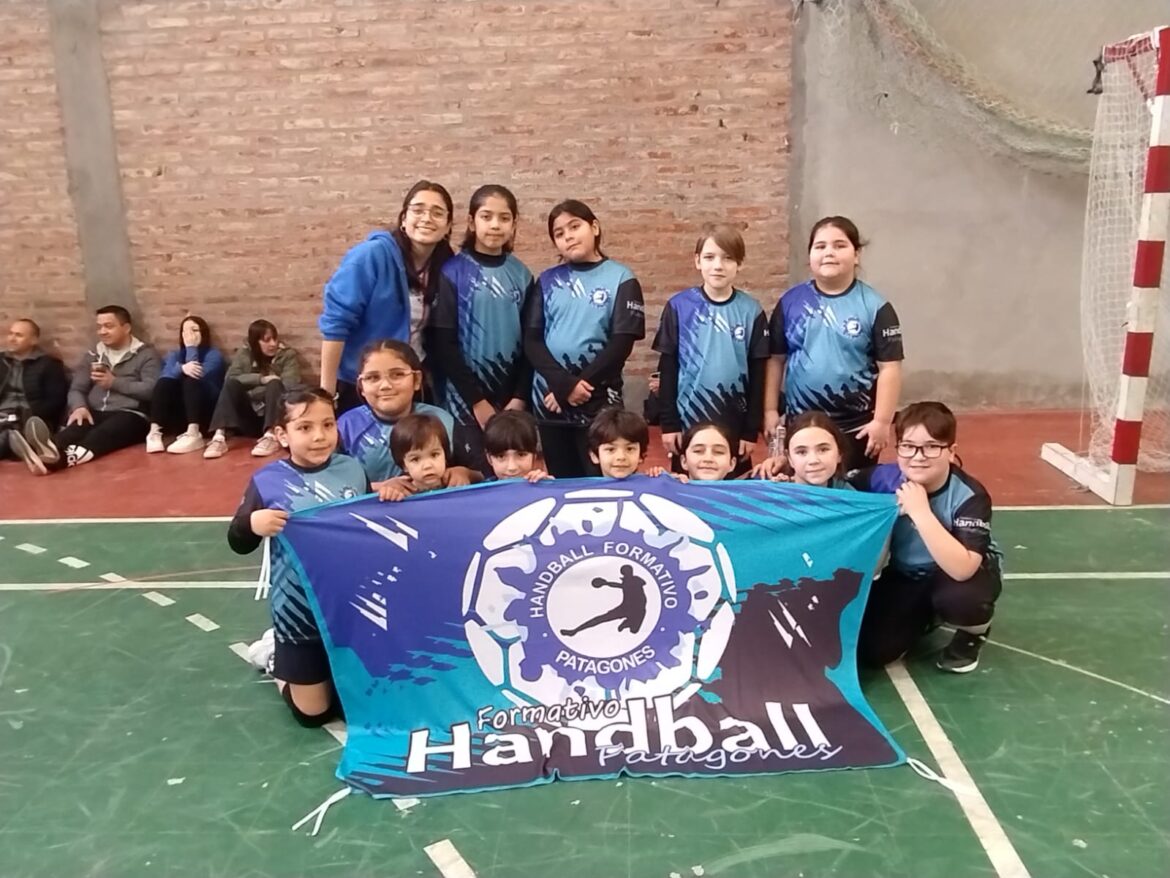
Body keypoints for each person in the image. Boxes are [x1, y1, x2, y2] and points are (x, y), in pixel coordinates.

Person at [230, 388, 372, 727]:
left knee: (356, 705)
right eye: (305, 427)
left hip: (348, 610)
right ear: (282, 434)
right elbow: (237, 541)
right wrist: (254, 523)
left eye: (327, 425)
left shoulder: (353, 470)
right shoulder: (268, 482)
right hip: (298, 613)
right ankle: (274, 654)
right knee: (313, 715)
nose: (319, 436)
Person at [852, 402, 1003, 674]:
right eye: (908, 446)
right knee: (873, 653)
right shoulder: (879, 479)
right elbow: (833, 486)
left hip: (957, 576)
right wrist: (785, 474)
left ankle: (973, 633)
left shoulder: (970, 496)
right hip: (906, 574)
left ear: (951, 451)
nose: (918, 456)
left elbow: (962, 568)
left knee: (962, 600)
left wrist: (920, 512)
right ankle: (924, 616)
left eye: (932, 446)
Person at [763, 216, 903, 472]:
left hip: (856, 428)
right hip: (802, 426)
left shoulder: (875, 306)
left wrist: (882, 421)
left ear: (856, 254)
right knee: (807, 494)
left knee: (851, 494)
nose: (829, 253)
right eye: (820, 246)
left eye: (839, 245)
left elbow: (890, 369)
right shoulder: (790, 302)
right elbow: (775, 360)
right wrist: (770, 410)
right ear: (810, 256)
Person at [525, 200, 646, 478]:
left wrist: (581, 384)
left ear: (594, 227)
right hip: (551, 402)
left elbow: (621, 344)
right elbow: (532, 340)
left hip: (599, 402)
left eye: (574, 226)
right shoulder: (546, 281)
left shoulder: (621, 278)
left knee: (602, 481)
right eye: (559, 233)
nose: (568, 235)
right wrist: (563, 385)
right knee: (562, 484)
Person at [319, 180, 455, 412]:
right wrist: (325, 396)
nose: (427, 218)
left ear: (448, 226)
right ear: (403, 219)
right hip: (364, 384)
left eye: (437, 212)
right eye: (418, 210)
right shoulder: (371, 256)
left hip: (410, 382)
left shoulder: (445, 265)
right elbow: (335, 324)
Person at [428, 184, 534, 474]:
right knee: (474, 475)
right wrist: (476, 401)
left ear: (513, 224)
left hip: (511, 399)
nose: (495, 225)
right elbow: (443, 343)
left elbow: (531, 342)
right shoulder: (452, 272)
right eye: (487, 216)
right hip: (465, 400)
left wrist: (519, 397)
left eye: (504, 218)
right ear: (471, 221)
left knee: (513, 475)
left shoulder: (522, 275)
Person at [654, 224, 769, 478]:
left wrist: (751, 430)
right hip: (688, 422)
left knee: (733, 497)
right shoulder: (678, 307)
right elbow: (669, 368)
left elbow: (759, 374)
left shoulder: (752, 311)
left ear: (739, 264)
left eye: (728, 258)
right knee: (686, 493)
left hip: (734, 425)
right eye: (710, 257)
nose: (718, 265)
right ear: (697, 261)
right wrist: (669, 424)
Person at [12, 306, 160, 475]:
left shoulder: (146, 354)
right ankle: (46, 450)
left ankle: (54, 460)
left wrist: (114, 382)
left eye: (109, 326)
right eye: (99, 326)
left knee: (102, 435)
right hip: (94, 411)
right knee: (71, 432)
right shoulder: (94, 354)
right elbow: (77, 388)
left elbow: (152, 389)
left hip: (131, 414)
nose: (102, 331)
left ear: (126, 328)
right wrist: (79, 407)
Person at [336, 339, 477, 488]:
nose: (385, 386)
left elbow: (483, 470)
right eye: (373, 378)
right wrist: (377, 488)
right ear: (361, 387)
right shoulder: (346, 427)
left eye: (397, 375)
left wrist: (465, 473)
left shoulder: (442, 420)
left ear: (416, 380)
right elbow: (330, 484)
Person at [203, 320, 301, 460]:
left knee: (274, 383)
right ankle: (219, 437)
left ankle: (271, 436)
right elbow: (231, 377)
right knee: (231, 385)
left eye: (275, 339)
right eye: (266, 340)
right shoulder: (244, 354)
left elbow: (289, 386)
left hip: (274, 415)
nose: (273, 344)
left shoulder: (287, 355)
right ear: (255, 342)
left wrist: (260, 388)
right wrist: (260, 380)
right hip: (249, 415)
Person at [146, 315, 225, 454]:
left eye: (195, 330)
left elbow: (199, 374)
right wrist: (182, 368)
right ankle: (154, 432)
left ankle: (194, 432)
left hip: (205, 408)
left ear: (203, 333)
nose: (190, 335)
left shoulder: (213, 355)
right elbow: (166, 375)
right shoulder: (175, 355)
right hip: (180, 410)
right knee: (164, 382)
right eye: (185, 331)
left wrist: (191, 348)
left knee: (191, 379)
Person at [0, 318, 67, 464]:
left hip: (30, 419)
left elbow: (56, 401)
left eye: (19, 335)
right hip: (3, 415)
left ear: (33, 340)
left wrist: (25, 414)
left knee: (10, 434)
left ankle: (21, 445)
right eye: (10, 334)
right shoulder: (1, 361)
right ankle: (21, 449)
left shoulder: (49, 365)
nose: (12, 338)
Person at [384, 412, 484, 499]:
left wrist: (468, 474)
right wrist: (388, 494)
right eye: (416, 459)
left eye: (434, 455)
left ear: (445, 454)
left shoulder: (456, 480)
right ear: (404, 465)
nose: (428, 466)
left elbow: (485, 479)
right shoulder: (400, 491)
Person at [482, 410, 550, 482]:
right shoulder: (481, 492)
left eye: (521, 455)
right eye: (501, 456)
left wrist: (548, 488)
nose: (512, 467)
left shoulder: (544, 487)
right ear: (489, 459)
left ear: (534, 456)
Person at [587, 407, 650, 480]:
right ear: (594, 456)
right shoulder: (584, 491)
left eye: (629, 449)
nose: (621, 457)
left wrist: (662, 479)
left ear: (641, 455)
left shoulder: (653, 485)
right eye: (611, 449)